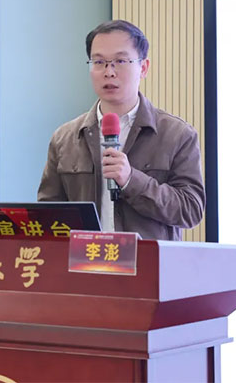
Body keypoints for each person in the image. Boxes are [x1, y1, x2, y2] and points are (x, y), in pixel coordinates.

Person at [37, 20, 205, 241]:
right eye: (99, 62)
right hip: (86, 261)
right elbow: (48, 214)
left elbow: (191, 209)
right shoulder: (64, 138)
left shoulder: (177, 135)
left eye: (120, 61)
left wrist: (131, 180)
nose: (109, 72)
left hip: (147, 262)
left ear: (143, 68)